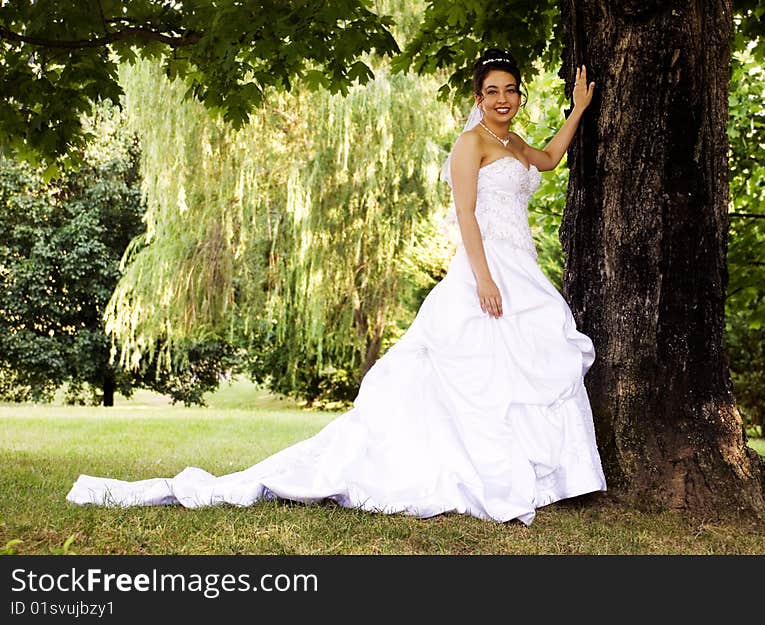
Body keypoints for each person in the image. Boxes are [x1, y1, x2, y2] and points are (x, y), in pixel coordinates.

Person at [66, 48, 606, 526]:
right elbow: (465, 214)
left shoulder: (511, 141)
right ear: (477, 97)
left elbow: (550, 159)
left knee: (518, 370)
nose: (503, 99)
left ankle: (534, 474)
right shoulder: (470, 144)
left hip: (522, 267)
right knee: (474, 371)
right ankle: (480, 473)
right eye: (492, 91)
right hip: (486, 270)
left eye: (511, 90)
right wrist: (485, 280)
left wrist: (579, 108)